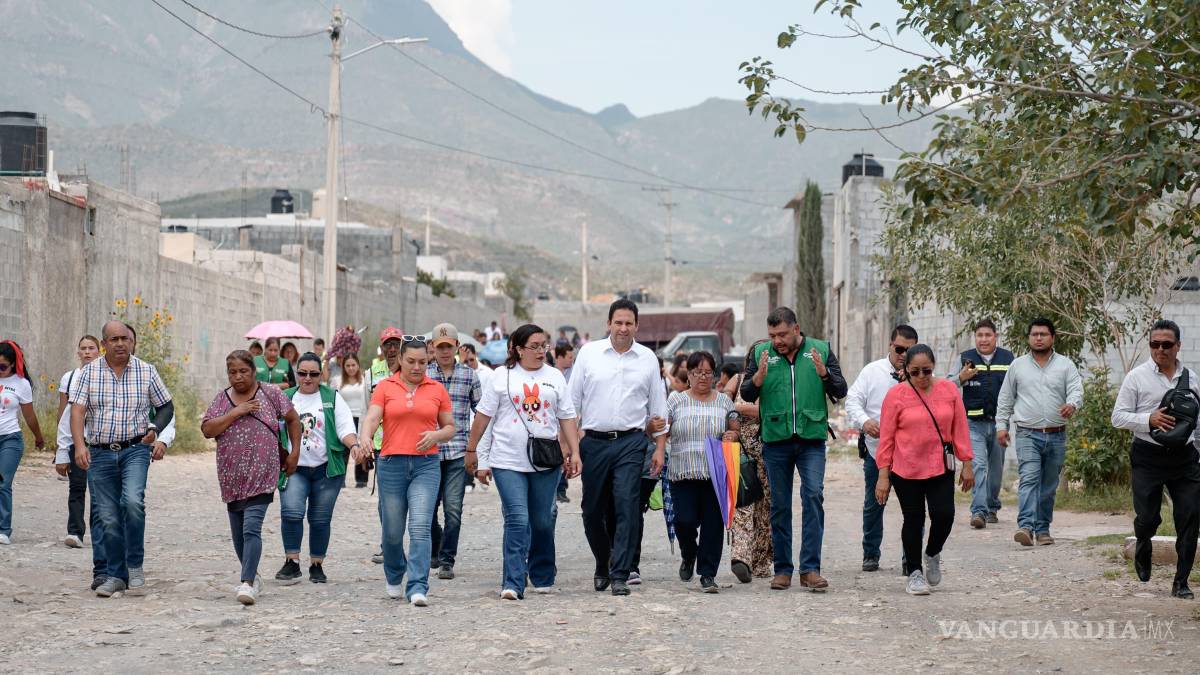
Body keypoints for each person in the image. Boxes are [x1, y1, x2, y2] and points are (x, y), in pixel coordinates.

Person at [465, 324, 582, 599]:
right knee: (517, 519)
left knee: (542, 520)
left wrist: (575, 452)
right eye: (535, 346)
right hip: (507, 460)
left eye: (544, 346)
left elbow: (567, 416)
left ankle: (542, 572)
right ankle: (513, 582)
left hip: (545, 461)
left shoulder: (554, 376)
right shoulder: (500, 376)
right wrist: (473, 451)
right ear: (518, 349)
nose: (541, 351)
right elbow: (483, 416)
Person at [740, 306, 847, 592]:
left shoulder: (821, 350)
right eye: (772, 335)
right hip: (776, 439)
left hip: (811, 439)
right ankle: (783, 570)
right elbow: (747, 393)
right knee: (779, 505)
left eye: (783, 334)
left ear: (796, 329)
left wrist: (825, 374)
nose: (777, 340)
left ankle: (810, 569)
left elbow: (841, 390)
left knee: (813, 496)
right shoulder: (761, 354)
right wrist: (758, 377)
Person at [568, 299, 668, 596]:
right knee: (591, 511)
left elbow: (659, 409)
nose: (623, 328)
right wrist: (571, 447)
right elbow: (571, 405)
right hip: (594, 443)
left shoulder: (647, 359)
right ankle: (603, 562)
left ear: (637, 326)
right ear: (608, 324)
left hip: (631, 443)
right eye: (618, 322)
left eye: (629, 323)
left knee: (628, 507)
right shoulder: (589, 354)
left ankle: (620, 574)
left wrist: (659, 449)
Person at [70, 321, 173, 597]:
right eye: (113, 339)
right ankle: (116, 575)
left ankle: (134, 565)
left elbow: (166, 406)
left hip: (135, 449)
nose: (119, 344)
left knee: (132, 502)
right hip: (100, 452)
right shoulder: (89, 373)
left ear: (132, 342)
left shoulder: (146, 371)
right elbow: (77, 411)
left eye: (124, 339)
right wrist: (79, 446)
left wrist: (155, 429)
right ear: (104, 343)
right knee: (107, 516)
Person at [356, 335, 455, 606]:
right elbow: (372, 417)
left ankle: (418, 585)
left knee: (420, 526)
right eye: (411, 361)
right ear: (400, 359)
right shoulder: (385, 387)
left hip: (426, 465)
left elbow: (450, 427)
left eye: (422, 362)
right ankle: (394, 572)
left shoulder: (436, 389)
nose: (417, 367)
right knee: (392, 531)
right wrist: (365, 437)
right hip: (391, 465)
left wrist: (436, 435)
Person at [201, 350, 302, 605]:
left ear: (254, 371)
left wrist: (294, 453)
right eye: (233, 372)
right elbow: (207, 429)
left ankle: (246, 582)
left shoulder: (270, 394)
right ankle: (253, 575)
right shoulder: (222, 399)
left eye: (243, 371)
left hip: (263, 473)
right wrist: (236, 412)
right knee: (238, 534)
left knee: (251, 528)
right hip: (231, 475)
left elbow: (293, 419)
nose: (238, 377)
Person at [1111, 319, 1200, 599]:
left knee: (1190, 518)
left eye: (1166, 344)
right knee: (1148, 518)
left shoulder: (1192, 378)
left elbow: (1198, 422)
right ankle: (1143, 543)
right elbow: (1118, 417)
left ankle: (1181, 582)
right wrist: (1148, 419)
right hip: (1147, 457)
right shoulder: (1137, 377)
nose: (1160, 349)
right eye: (1154, 344)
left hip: (1185, 458)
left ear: (1178, 346)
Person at [875, 344, 974, 595]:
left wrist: (967, 464)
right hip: (905, 468)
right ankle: (914, 573)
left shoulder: (949, 390)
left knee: (945, 514)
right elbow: (886, 438)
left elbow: (960, 429)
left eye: (926, 371)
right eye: (915, 372)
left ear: (934, 368)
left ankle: (932, 553)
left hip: (940, 465)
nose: (921, 377)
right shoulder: (895, 396)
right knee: (914, 518)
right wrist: (883, 475)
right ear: (906, 370)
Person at [273, 353, 361, 584]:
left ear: (321, 375)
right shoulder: (285, 397)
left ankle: (316, 564)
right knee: (291, 512)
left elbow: (345, 427)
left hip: (326, 469)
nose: (308, 378)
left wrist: (354, 445)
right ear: (296, 374)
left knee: (320, 519)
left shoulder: (332, 397)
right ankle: (292, 562)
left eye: (313, 374)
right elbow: (271, 427)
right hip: (294, 468)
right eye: (303, 373)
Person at [996, 318, 1083, 547]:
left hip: (1057, 434)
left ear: (1052, 338)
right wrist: (1001, 426)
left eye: (1043, 334)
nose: (1038, 338)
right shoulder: (1017, 366)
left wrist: (1072, 404)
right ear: (1029, 338)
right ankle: (1025, 526)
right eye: (1034, 334)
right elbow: (1005, 398)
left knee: (1049, 485)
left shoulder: (1065, 365)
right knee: (1029, 478)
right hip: (1027, 434)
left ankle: (1043, 529)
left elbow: (1076, 390)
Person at [661, 351, 737, 593]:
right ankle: (689, 553)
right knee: (684, 521)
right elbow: (663, 430)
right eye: (697, 372)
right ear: (689, 375)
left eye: (707, 372)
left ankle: (707, 574)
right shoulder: (675, 400)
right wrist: (656, 433)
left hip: (715, 474)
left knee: (713, 526)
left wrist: (732, 434)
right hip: (682, 473)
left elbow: (734, 427)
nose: (703, 377)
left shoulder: (724, 402)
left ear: (714, 375)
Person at [845, 324, 918, 572]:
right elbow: (852, 400)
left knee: (914, 509)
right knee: (874, 505)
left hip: (911, 455)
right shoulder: (872, 371)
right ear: (890, 345)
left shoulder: (921, 375)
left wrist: (911, 381)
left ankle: (911, 559)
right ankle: (870, 553)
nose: (903, 355)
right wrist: (865, 422)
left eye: (909, 351)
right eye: (899, 349)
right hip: (877, 452)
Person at [426, 323, 481, 580]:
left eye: (449, 346)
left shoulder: (469, 376)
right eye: (440, 347)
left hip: (458, 452)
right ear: (433, 348)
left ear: (457, 347)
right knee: (427, 509)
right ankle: (435, 548)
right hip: (429, 452)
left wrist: (476, 449)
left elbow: (481, 411)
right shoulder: (424, 375)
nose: (445, 351)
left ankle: (447, 559)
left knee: (453, 510)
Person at [949, 318, 1015, 529]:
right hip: (972, 424)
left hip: (999, 424)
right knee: (977, 465)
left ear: (995, 336)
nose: (984, 339)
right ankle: (978, 512)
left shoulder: (1008, 358)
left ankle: (992, 506)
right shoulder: (965, 358)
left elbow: (1017, 387)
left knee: (996, 470)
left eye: (988, 335)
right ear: (975, 337)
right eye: (980, 335)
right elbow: (947, 386)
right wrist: (961, 377)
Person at [725, 342, 772, 582]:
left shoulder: (776, 381)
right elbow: (724, 404)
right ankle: (741, 558)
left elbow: (766, 411)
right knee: (742, 503)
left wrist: (738, 408)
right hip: (742, 452)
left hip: (769, 453)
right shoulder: (738, 379)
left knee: (766, 509)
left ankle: (760, 562)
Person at [55, 335, 101, 549]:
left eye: (91, 348)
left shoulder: (105, 375)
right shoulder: (70, 377)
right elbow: (65, 414)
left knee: (99, 490)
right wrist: (61, 450)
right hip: (77, 439)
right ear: (78, 352)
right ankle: (75, 531)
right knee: (77, 486)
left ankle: (100, 533)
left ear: (99, 351)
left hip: (100, 441)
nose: (87, 352)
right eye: (83, 348)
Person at [366, 328, 405, 565]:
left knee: (406, 500)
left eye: (395, 344)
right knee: (385, 502)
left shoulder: (410, 370)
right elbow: (367, 408)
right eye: (387, 344)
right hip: (382, 445)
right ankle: (389, 546)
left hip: (407, 441)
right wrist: (365, 439)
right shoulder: (372, 373)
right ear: (382, 347)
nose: (392, 349)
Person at [0, 341, 46, 546]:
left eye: (2, 366)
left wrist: (38, 437)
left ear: (12, 364)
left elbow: (29, 416)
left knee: (3, 482)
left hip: (10, 439)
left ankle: (3, 529)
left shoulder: (21, 384)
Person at [335, 354, 370, 488]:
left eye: (353, 365)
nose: (351, 368)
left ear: (358, 365)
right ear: (343, 367)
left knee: (362, 446)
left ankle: (362, 479)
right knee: (343, 449)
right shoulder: (337, 381)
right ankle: (340, 478)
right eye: (348, 365)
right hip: (344, 419)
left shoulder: (365, 380)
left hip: (361, 417)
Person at [553, 343, 576, 503]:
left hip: (567, 422)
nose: (571, 360)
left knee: (566, 455)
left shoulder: (573, 375)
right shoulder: (551, 374)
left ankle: (562, 488)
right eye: (569, 357)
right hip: (552, 423)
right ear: (559, 357)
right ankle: (555, 488)